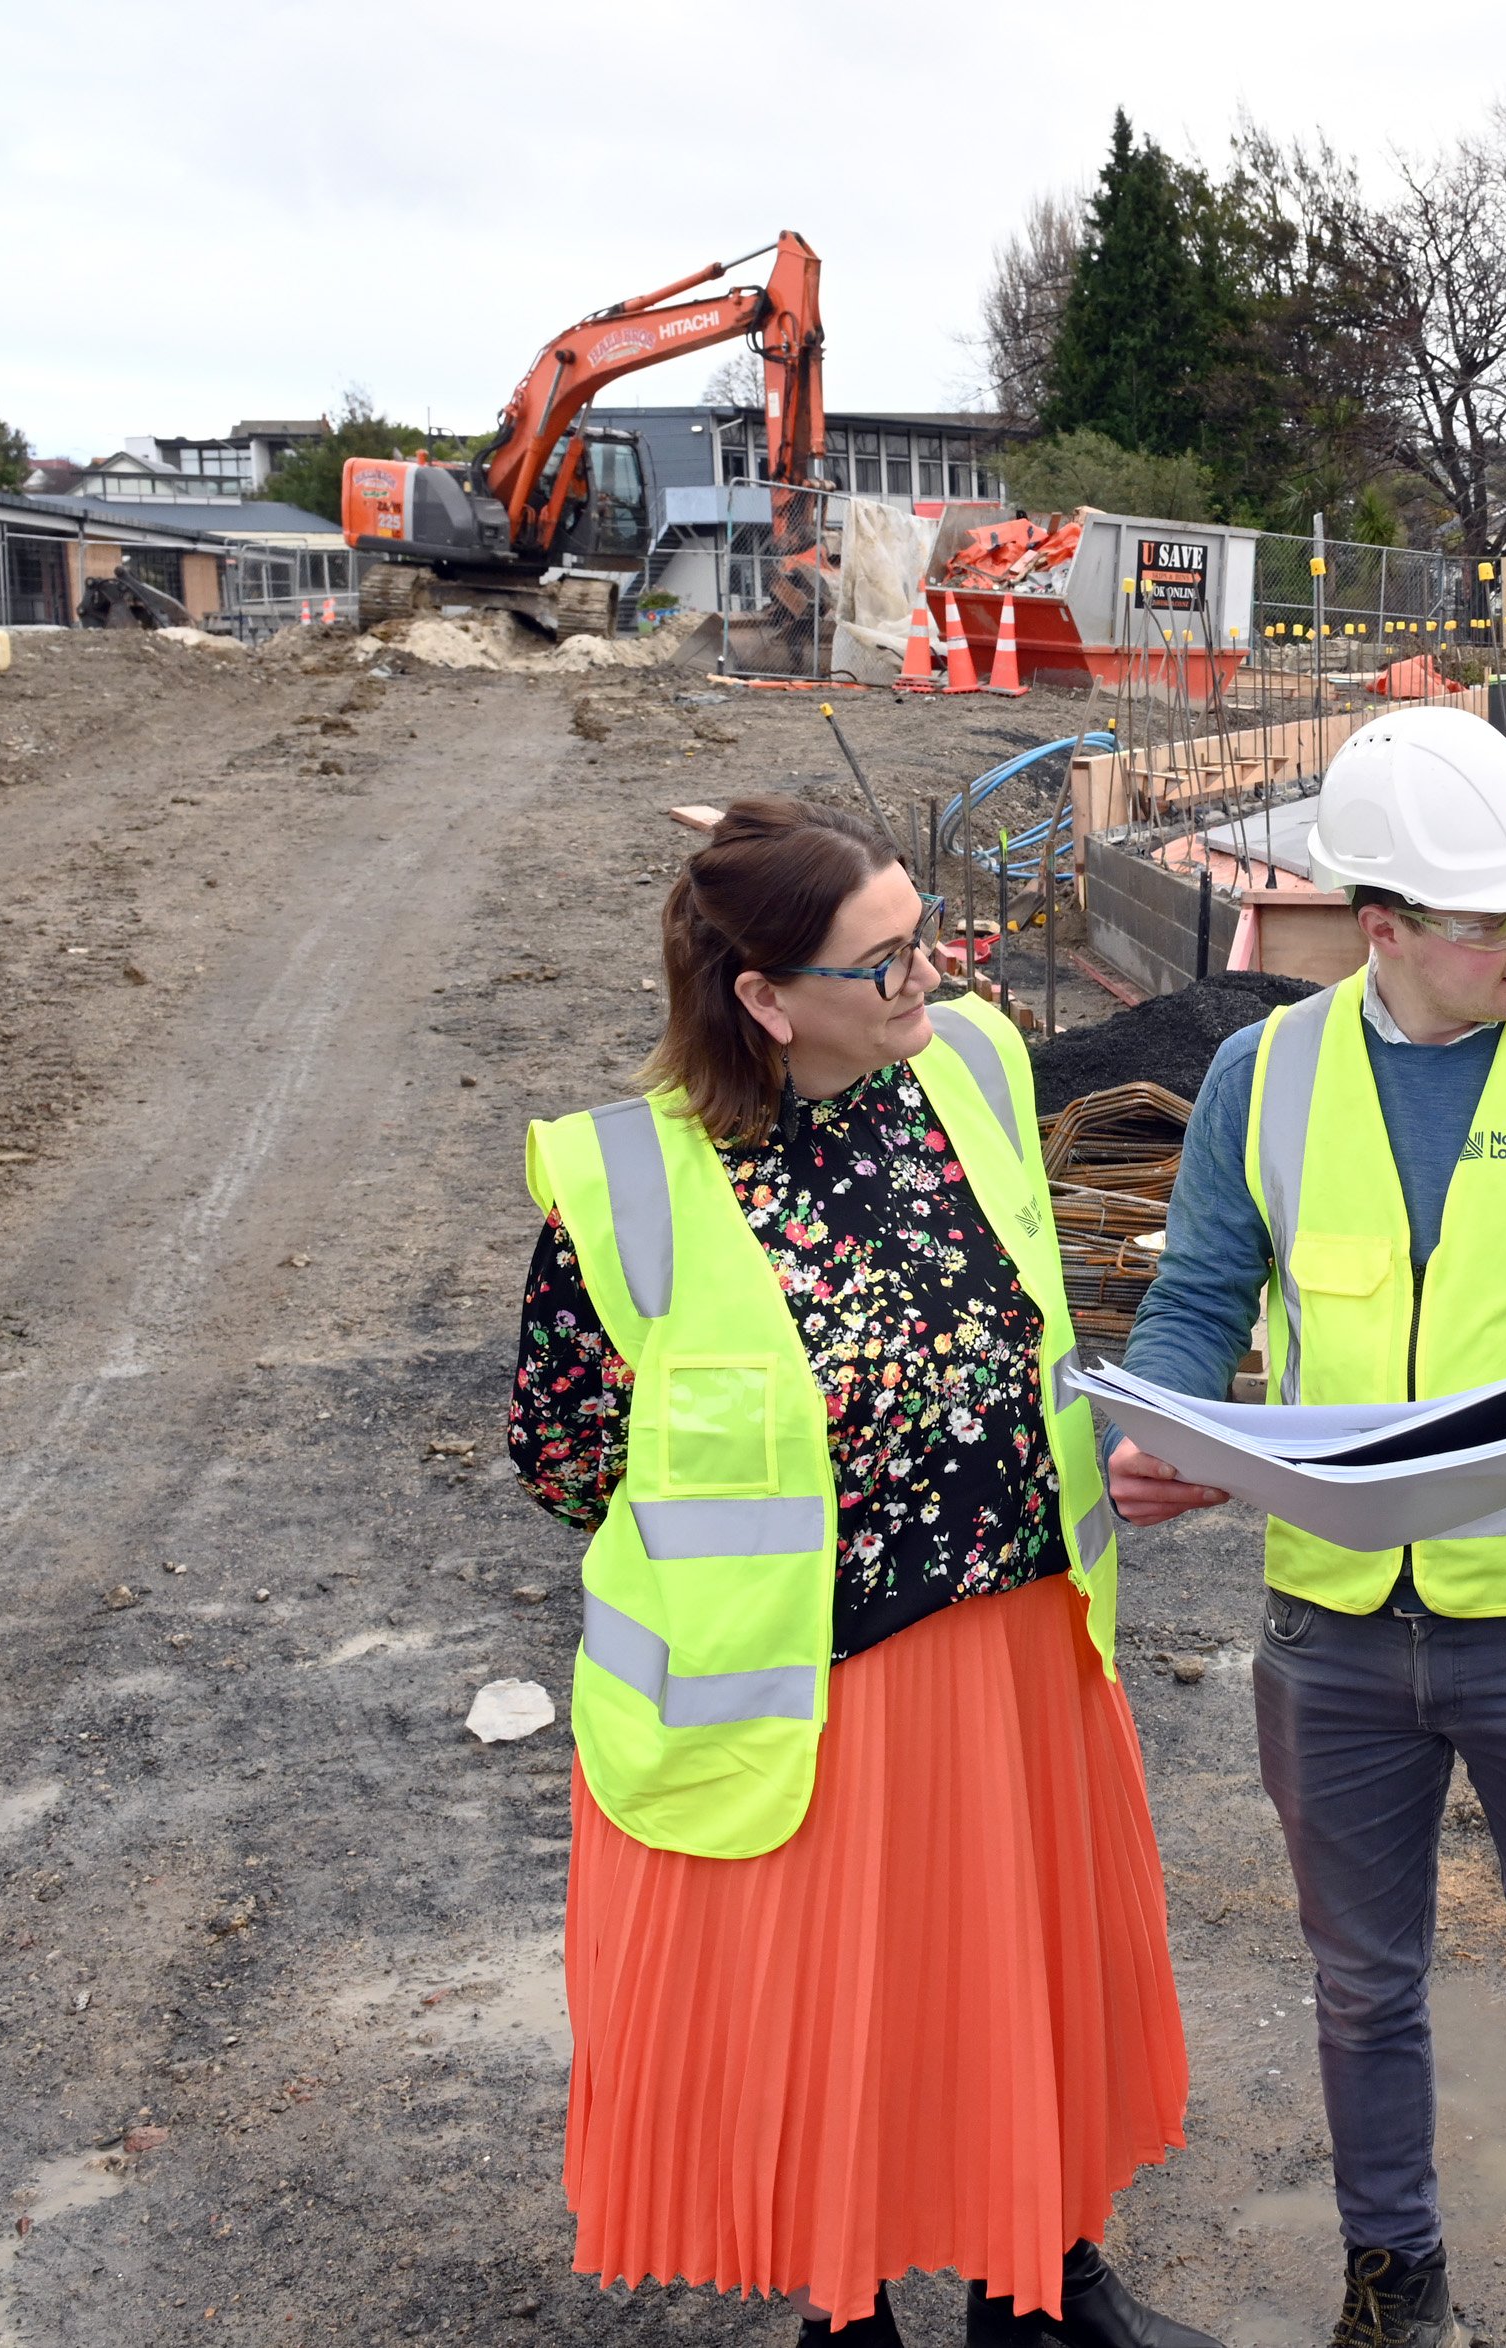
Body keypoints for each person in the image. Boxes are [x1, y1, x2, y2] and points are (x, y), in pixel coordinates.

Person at [508, 799, 1212, 2348]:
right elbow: (566, 1459)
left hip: (1025, 1646)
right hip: (819, 1699)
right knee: (858, 2045)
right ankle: (855, 2318)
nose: (934, 977)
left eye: (929, 933)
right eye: (886, 960)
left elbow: (1023, 1317)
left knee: (1008, 2015)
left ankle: (1041, 2293)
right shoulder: (629, 1188)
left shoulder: (968, 1067)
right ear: (764, 999)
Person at [1104, 707, 1506, 2348]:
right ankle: (1394, 2282)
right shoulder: (1265, 1070)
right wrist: (1169, 1429)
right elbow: (1196, 1297)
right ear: (1378, 922)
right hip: (1328, 1623)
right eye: (1493, 919)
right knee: (1362, 1982)